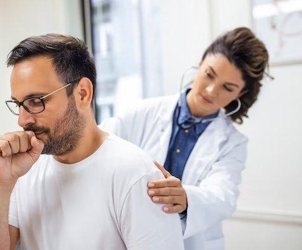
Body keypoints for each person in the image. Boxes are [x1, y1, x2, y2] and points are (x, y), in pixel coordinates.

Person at [0, 34, 184, 250]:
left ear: (82, 93)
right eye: (19, 104)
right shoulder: (23, 170)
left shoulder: (134, 174)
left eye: (36, 101)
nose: (23, 120)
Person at [100, 27, 271, 250]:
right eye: (209, 74)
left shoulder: (232, 143)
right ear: (200, 63)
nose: (210, 91)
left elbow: (223, 195)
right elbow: (100, 143)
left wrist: (186, 198)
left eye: (227, 88)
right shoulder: (144, 112)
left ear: (239, 94)